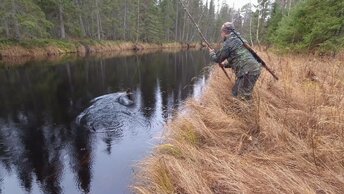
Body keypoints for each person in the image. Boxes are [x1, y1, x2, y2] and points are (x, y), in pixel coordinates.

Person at [209, 22, 261, 101]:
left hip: (247, 71)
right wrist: (225, 64)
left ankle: (246, 112)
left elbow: (218, 58)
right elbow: (237, 57)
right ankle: (237, 110)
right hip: (253, 69)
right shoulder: (241, 40)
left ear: (224, 32)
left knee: (244, 97)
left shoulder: (228, 43)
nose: (221, 34)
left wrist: (212, 53)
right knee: (235, 92)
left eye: (221, 32)